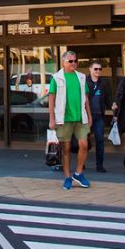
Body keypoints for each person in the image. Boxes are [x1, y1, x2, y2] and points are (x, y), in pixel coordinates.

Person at [45, 50, 92, 190]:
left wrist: (89, 115)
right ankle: (67, 177)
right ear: (63, 62)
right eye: (70, 61)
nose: (74, 63)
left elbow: (86, 98)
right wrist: (51, 119)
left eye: (75, 61)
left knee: (84, 144)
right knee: (66, 148)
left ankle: (78, 173)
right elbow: (51, 99)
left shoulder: (82, 77)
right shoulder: (56, 78)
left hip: (80, 117)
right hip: (63, 118)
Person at [84, 60, 111, 173]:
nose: (98, 71)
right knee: (84, 141)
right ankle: (82, 162)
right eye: (96, 69)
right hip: (86, 116)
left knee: (100, 140)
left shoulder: (104, 83)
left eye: (100, 69)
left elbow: (108, 99)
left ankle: (99, 165)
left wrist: (113, 105)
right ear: (90, 69)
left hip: (99, 116)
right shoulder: (84, 81)